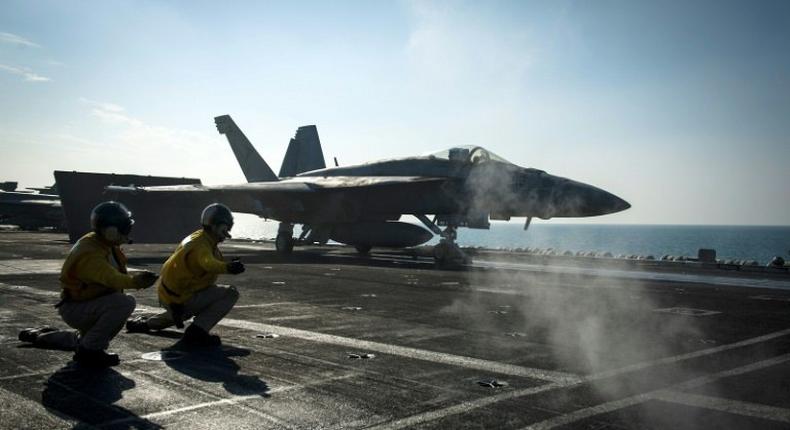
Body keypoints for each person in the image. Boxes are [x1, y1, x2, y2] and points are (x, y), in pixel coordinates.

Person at [18, 201, 158, 367]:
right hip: (77, 307)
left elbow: (113, 274)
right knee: (124, 303)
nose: (127, 233)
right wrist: (136, 282)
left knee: (89, 335)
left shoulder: (105, 244)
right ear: (111, 231)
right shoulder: (90, 252)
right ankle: (89, 351)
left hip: (87, 303)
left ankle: (43, 336)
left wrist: (135, 278)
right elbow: (110, 277)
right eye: (125, 228)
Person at [126, 203, 244, 347]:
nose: (227, 232)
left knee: (181, 314)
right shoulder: (201, 246)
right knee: (231, 293)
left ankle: (144, 324)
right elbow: (207, 262)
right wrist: (228, 267)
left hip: (172, 295)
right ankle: (197, 331)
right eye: (226, 227)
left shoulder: (199, 237)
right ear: (216, 226)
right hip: (182, 298)